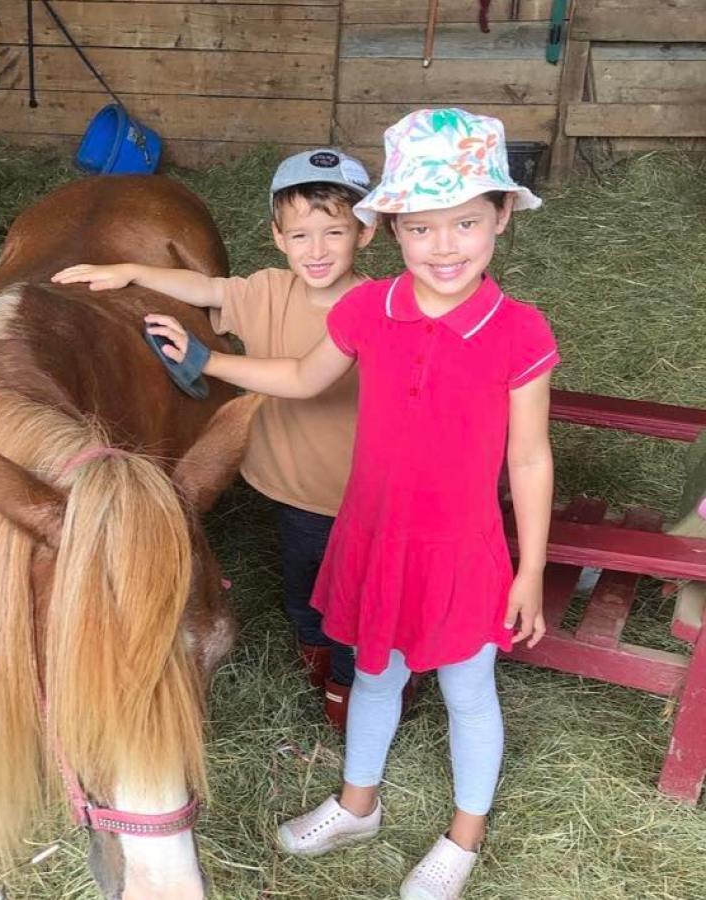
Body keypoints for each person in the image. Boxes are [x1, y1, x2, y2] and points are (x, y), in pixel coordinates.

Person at [144, 108, 558, 899]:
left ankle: (463, 838)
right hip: (374, 536)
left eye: (466, 223)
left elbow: (530, 456)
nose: (444, 247)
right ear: (392, 228)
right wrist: (206, 360)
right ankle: (358, 804)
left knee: (469, 691)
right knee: (372, 674)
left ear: (502, 216)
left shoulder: (519, 332)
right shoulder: (368, 310)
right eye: (422, 228)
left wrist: (530, 568)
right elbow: (302, 378)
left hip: (460, 549)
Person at [52, 148, 376, 729]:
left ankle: (350, 687)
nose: (317, 250)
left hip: (362, 492)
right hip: (291, 487)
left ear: (366, 232)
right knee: (304, 587)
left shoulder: (380, 309)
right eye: (301, 235)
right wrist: (131, 272)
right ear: (277, 237)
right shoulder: (269, 290)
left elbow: (304, 378)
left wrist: (207, 361)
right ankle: (316, 654)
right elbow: (206, 290)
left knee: (354, 599)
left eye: (335, 232)